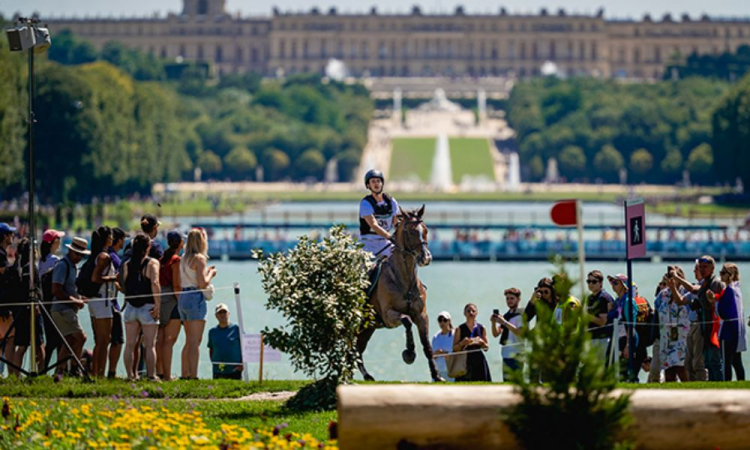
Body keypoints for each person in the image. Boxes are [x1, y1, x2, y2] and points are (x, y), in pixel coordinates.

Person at [120, 233, 161, 381]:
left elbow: (124, 285)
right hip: (148, 306)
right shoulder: (152, 263)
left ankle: (131, 375)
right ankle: (151, 375)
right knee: (150, 345)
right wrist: (158, 305)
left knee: (130, 345)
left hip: (131, 307)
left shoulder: (127, 264)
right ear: (148, 247)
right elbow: (155, 283)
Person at [178, 228, 216, 379]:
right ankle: (193, 375)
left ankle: (184, 373)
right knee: (195, 341)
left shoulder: (183, 258)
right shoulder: (199, 259)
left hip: (183, 296)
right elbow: (202, 283)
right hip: (195, 297)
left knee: (188, 340)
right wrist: (211, 274)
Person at [50, 237, 90, 375]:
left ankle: (59, 371)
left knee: (68, 341)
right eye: (77, 253)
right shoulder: (63, 265)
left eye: (81, 254)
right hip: (62, 309)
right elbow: (56, 289)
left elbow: (68, 289)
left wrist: (79, 299)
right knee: (81, 338)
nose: (79, 257)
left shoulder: (72, 266)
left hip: (65, 309)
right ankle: (74, 368)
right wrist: (74, 301)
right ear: (70, 251)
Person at [9, 238, 45, 374]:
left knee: (22, 347)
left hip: (20, 312)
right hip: (32, 310)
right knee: (40, 345)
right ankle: (40, 373)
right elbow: (35, 289)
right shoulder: (31, 268)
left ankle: (16, 375)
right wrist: (36, 305)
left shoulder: (17, 268)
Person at [707, 263, 746, 381]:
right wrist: (716, 299)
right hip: (737, 331)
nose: (720, 275)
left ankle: (726, 383)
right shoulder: (736, 289)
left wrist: (714, 302)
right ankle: (741, 382)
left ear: (730, 275)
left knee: (726, 362)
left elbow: (724, 312)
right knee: (736, 361)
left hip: (727, 332)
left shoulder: (729, 290)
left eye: (723, 273)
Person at [87, 226, 117, 377]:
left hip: (95, 301)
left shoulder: (96, 254)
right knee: (104, 340)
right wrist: (113, 278)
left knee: (99, 340)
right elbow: (95, 277)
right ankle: (99, 374)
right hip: (102, 301)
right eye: (111, 236)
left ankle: (96, 373)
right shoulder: (104, 257)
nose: (112, 238)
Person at [654, 267, 690, 382]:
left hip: (681, 337)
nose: (671, 280)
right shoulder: (663, 294)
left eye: (673, 277)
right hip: (666, 336)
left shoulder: (686, 292)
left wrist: (674, 287)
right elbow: (657, 308)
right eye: (669, 277)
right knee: (668, 369)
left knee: (681, 367)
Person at [157, 230, 184, 380]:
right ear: (180, 243)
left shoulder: (162, 259)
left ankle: (159, 371)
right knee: (169, 340)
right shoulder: (176, 260)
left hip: (161, 300)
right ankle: (167, 376)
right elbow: (176, 286)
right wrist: (182, 303)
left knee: (160, 340)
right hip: (172, 302)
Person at [673, 262, 707, 381]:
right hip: (692, 325)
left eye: (696, 269)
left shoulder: (705, 285)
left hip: (700, 325)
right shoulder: (697, 285)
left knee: (698, 361)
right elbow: (680, 300)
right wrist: (672, 287)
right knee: (688, 362)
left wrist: (677, 278)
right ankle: (692, 385)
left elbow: (693, 289)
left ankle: (702, 384)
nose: (694, 272)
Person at [359, 169, 399, 260]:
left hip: (386, 243)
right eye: (373, 182)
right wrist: (390, 237)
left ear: (382, 183)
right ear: (368, 185)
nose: (376, 184)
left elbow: (396, 223)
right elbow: (374, 225)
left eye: (378, 181)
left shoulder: (391, 201)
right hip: (368, 243)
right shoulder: (365, 203)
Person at [39, 229, 65, 366]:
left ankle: (45, 368)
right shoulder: (55, 261)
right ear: (54, 242)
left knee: (51, 339)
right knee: (60, 338)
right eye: (59, 239)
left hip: (43, 303)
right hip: (54, 303)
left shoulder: (40, 261)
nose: (60, 241)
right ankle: (59, 370)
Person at [607, 273, 639, 382]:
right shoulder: (617, 301)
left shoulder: (628, 301)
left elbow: (631, 324)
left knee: (627, 371)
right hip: (618, 337)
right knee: (612, 367)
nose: (613, 285)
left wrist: (628, 344)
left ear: (623, 285)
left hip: (627, 338)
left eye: (616, 283)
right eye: (612, 283)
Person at [106, 227, 127, 378]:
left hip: (103, 301)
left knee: (102, 340)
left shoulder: (104, 253)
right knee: (117, 339)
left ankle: (100, 372)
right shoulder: (114, 258)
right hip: (111, 302)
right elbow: (119, 280)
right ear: (119, 240)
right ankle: (112, 372)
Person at [452, 303, 491, 382]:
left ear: (476, 313)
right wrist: (462, 343)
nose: (471, 313)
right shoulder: (459, 329)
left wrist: (481, 342)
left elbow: (486, 348)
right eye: (468, 311)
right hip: (465, 360)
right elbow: (454, 349)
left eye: (473, 311)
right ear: (464, 313)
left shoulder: (481, 327)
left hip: (479, 359)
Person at [491, 288, 524, 381]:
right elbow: (496, 334)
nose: (509, 301)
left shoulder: (521, 314)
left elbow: (520, 333)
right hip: (505, 353)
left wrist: (504, 322)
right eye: (507, 299)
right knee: (507, 381)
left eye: (512, 298)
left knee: (517, 381)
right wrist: (493, 322)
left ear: (518, 299)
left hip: (517, 353)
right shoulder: (506, 315)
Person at [585, 270, 614, 362]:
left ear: (601, 283)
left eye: (594, 281)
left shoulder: (603, 298)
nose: (591, 284)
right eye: (588, 281)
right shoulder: (590, 298)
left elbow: (602, 322)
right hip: (592, 337)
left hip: (602, 338)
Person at [207, 303, 243, 380]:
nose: (222, 315)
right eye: (220, 313)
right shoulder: (212, 332)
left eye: (224, 312)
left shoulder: (236, 329)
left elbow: (244, 347)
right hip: (218, 371)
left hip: (234, 371)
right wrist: (214, 362)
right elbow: (211, 349)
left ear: (228, 314)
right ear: (216, 315)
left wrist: (242, 364)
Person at [0, 223, 18, 373]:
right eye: (10, 234)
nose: (12, 236)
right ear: (4, 236)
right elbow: (3, 273)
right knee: (10, 338)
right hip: (2, 306)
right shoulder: (0, 254)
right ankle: (12, 375)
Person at [431, 311, 454, 381]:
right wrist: (437, 353)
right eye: (440, 320)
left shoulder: (454, 335)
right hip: (439, 371)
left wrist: (445, 353)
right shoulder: (436, 337)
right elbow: (432, 356)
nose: (442, 323)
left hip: (451, 371)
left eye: (445, 320)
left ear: (449, 321)